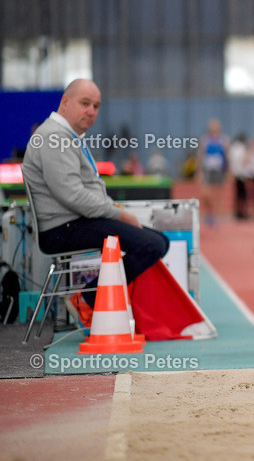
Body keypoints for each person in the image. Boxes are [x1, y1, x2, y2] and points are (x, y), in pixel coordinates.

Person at [20, 79, 170, 330]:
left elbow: (87, 192)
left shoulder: (67, 136)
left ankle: (98, 300)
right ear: (65, 102)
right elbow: (73, 196)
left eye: (96, 106)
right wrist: (119, 215)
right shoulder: (54, 137)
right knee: (151, 244)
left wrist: (116, 212)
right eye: (85, 103)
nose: (91, 111)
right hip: (61, 229)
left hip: (75, 222)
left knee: (158, 242)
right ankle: (87, 298)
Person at [197, 118, 228, 225]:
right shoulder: (205, 140)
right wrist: (199, 171)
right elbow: (201, 155)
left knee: (218, 194)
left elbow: (227, 156)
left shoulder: (224, 140)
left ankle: (216, 217)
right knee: (205, 194)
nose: (214, 130)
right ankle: (209, 213)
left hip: (219, 170)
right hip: (207, 170)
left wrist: (229, 171)